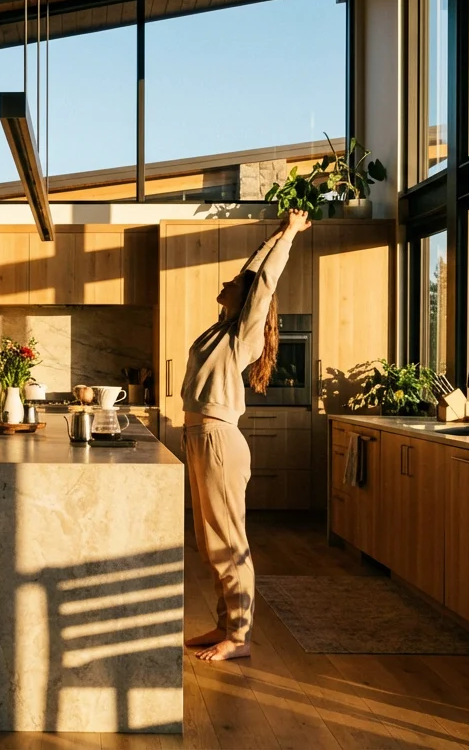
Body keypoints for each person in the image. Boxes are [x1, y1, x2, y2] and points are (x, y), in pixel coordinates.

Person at [181, 208, 311, 661]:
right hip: (199, 438)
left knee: (229, 540)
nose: (231, 279)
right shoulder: (221, 329)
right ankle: (224, 625)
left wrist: (291, 234)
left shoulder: (244, 333)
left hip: (218, 441)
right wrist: (277, 231)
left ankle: (240, 635)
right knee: (209, 540)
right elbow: (254, 270)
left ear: (247, 298)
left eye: (238, 282)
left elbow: (264, 280)